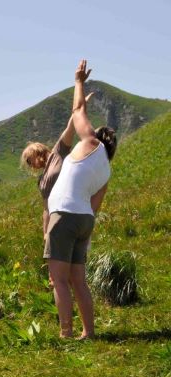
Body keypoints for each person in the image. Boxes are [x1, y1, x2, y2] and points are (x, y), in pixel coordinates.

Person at [45, 60, 117, 339]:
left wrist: (78, 81)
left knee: (59, 280)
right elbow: (96, 206)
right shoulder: (106, 169)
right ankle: (88, 332)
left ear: (96, 137)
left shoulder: (90, 143)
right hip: (84, 219)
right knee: (79, 281)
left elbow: (77, 111)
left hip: (63, 214)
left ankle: (66, 333)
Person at [21, 92, 94, 248]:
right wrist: (45, 233)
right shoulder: (41, 181)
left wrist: (80, 108)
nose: (30, 164)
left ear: (37, 152)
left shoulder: (58, 153)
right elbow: (46, 209)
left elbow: (70, 127)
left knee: (77, 261)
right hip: (56, 220)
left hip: (74, 212)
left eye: (29, 160)